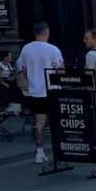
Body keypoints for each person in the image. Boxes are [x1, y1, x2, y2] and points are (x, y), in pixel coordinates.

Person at [16, 21, 63, 164]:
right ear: (46, 32)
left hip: (36, 91)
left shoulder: (26, 49)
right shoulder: (53, 49)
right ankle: (59, 150)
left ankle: (39, 151)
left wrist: (32, 79)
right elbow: (61, 70)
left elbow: (23, 69)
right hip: (53, 90)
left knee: (39, 123)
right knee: (56, 121)